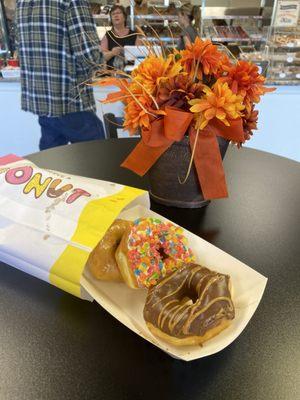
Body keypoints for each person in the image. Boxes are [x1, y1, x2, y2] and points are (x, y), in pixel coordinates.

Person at [15, 0, 105, 151]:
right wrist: (102, 61)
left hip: (42, 99)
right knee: (98, 160)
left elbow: (19, 44)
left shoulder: (22, 2)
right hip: (70, 99)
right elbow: (89, 54)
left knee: (52, 162)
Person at [101, 5, 140, 70]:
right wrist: (112, 53)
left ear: (124, 17)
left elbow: (140, 56)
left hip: (131, 73)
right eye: (113, 14)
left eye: (118, 13)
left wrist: (126, 51)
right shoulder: (107, 35)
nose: (116, 15)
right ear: (111, 19)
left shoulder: (134, 35)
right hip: (112, 74)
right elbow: (103, 57)